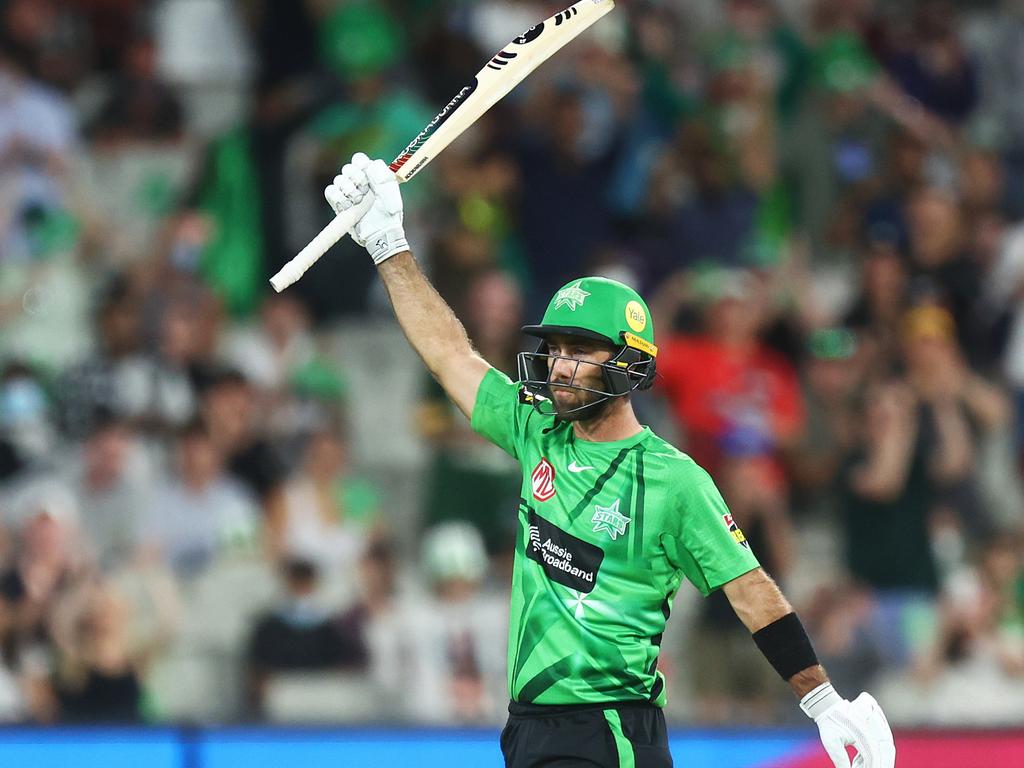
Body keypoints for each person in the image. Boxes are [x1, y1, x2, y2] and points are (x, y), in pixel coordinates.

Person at [323, 153, 896, 767]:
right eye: (557, 348)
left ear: (628, 364)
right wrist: (389, 244)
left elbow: (750, 589)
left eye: (582, 350)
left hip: (611, 730)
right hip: (528, 728)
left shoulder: (673, 479)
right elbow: (451, 355)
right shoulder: (536, 430)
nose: (562, 364)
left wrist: (823, 703)